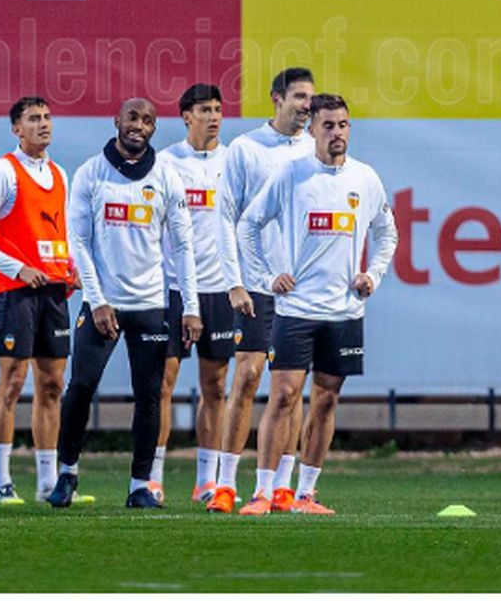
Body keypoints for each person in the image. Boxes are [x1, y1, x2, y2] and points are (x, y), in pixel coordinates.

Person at [234, 93, 397, 516]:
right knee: (284, 395)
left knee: (326, 399)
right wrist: (269, 276)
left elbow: (387, 234)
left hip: (344, 311)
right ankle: (264, 492)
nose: (337, 133)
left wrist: (373, 275)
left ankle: (306, 494)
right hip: (296, 309)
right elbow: (249, 224)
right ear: (312, 130)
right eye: (328, 125)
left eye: (343, 125)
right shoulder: (291, 174)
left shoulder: (365, 178)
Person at [47, 98, 200, 509]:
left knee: (150, 395)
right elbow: (77, 241)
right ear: (117, 122)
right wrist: (96, 302)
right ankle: (67, 474)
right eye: (132, 118)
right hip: (103, 303)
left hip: (150, 304)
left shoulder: (167, 175)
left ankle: (140, 485)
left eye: (147, 120)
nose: (139, 126)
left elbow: (183, 245)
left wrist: (191, 306)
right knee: (80, 387)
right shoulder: (91, 174)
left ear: (154, 128)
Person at [0, 96, 80, 504]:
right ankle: (1, 483)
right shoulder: (2, 172)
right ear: (16, 129)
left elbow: (63, 232)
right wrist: (16, 268)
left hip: (54, 290)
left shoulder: (60, 173)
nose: (44, 125)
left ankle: (48, 485)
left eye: (47, 117)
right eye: (34, 119)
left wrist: (73, 266)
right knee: (12, 383)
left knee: (52, 384)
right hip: (15, 292)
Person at [208, 66, 315, 514]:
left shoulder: (316, 150)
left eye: (311, 98)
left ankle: (282, 488)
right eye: (299, 97)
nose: (307, 106)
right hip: (255, 285)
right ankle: (225, 485)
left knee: (291, 390)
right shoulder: (246, 149)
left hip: (301, 289)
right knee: (247, 378)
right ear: (276, 98)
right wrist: (234, 281)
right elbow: (225, 216)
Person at [156, 83, 246, 504]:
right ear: (185, 116)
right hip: (172, 289)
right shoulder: (165, 163)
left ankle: (206, 480)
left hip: (220, 291)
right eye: (204, 110)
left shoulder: (235, 163)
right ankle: (152, 476)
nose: (213, 116)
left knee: (216, 386)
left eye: (218, 109)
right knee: (162, 383)